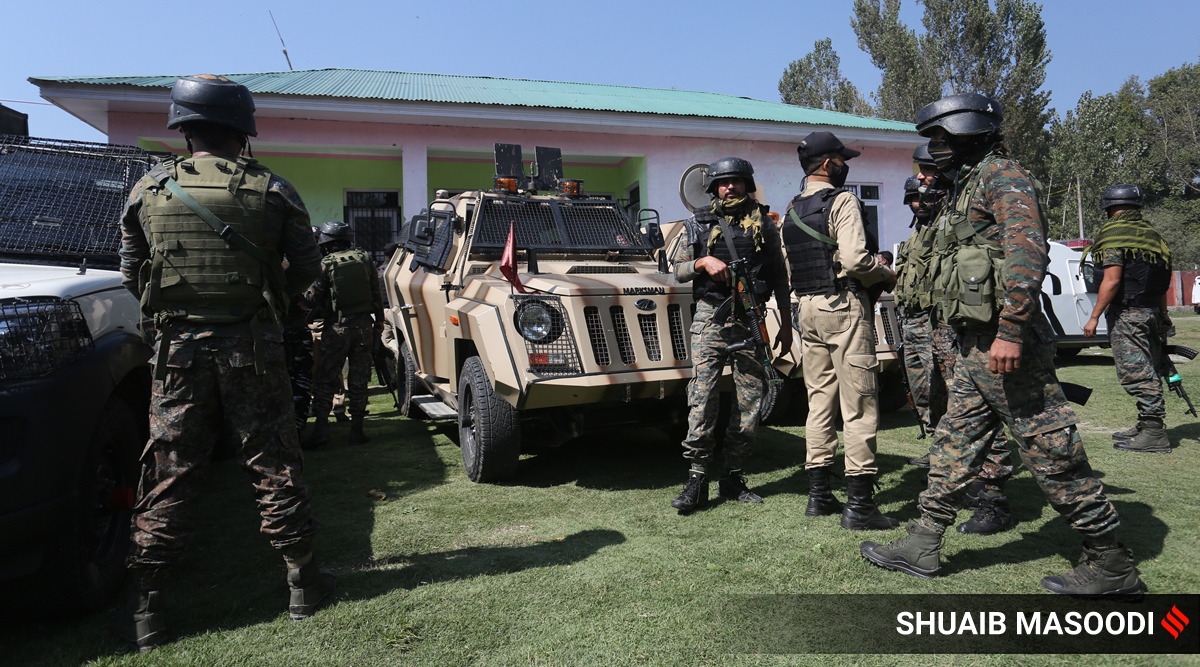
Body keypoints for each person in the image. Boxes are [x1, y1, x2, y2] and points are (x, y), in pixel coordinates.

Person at [861, 93, 1142, 596]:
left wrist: (1012, 330)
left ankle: (1110, 562)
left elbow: (1026, 254)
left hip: (1003, 342)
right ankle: (923, 541)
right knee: (954, 440)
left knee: (1050, 446)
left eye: (943, 139)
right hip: (973, 344)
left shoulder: (1003, 177)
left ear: (970, 133)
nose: (935, 149)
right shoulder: (964, 187)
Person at [115, 74, 336, 651]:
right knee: (273, 461)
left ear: (183, 127)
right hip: (253, 351)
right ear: (243, 129)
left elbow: (131, 272)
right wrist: (268, 298)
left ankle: (148, 609)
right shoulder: (272, 189)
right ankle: (302, 584)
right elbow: (309, 267)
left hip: (177, 353)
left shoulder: (149, 189)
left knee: (171, 469)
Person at [786, 131, 898, 531]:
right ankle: (861, 507)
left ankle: (819, 496)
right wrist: (885, 273)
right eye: (841, 158)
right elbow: (853, 259)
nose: (845, 164)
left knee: (819, 402)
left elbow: (790, 265)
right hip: (843, 306)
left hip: (808, 308)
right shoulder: (842, 200)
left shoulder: (792, 207)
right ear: (829, 164)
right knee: (859, 404)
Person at [669, 157, 792, 512]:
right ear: (713, 188)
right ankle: (696, 479)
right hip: (711, 319)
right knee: (702, 399)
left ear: (747, 184)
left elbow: (780, 278)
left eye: (736, 181)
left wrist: (784, 323)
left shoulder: (765, 226)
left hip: (750, 319)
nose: (730, 187)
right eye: (723, 183)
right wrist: (702, 263)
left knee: (750, 402)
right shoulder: (698, 224)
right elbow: (675, 269)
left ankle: (733, 476)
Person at [1083, 184, 1173, 453]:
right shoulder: (1152, 236)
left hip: (1128, 315)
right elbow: (1161, 282)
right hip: (1151, 313)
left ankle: (1155, 433)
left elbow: (1111, 281)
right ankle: (1146, 425)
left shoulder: (1115, 235)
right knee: (1150, 368)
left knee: (1136, 373)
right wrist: (1164, 316)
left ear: (1109, 208)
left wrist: (1094, 316)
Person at [304, 221, 385, 448]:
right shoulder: (365, 258)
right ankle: (357, 431)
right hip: (363, 328)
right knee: (359, 380)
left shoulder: (325, 264)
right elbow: (375, 292)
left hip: (336, 328)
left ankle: (321, 430)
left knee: (325, 379)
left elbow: (311, 298)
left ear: (327, 243)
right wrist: (379, 320)